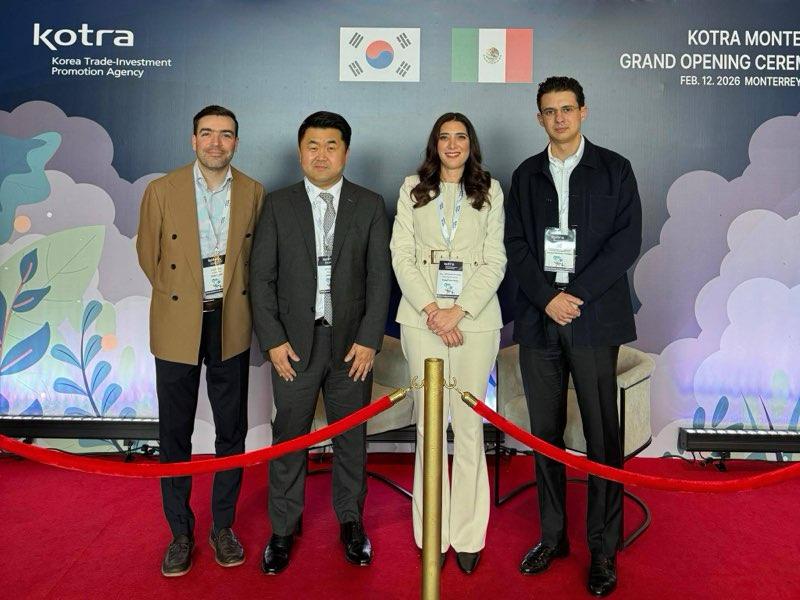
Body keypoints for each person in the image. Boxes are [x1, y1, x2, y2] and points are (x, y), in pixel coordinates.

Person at [504, 76, 642, 596]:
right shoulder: (526, 174)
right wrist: (547, 298)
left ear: (583, 111)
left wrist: (575, 294)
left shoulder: (615, 169)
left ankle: (603, 549)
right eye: (549, 111)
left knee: (602, 434)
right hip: (540, 318)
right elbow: (515, 244)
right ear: (539, 118)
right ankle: (553, 536)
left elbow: (626, 242)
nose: (559, 118)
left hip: (594, 316)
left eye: (567, 109)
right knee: (545, 433)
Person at [249, 111, 391, 574]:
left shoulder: (369, 204)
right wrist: (273, 342)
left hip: (351, 348)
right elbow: (261, 279)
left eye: (332, 145)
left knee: (351, 437)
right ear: (300, 152)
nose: (322, 154)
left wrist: (369, 340)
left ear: (346, 152)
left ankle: (351, 522)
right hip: (293, 346)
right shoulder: (278, 204)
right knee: (289, 437)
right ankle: (283, 528)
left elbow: (379, 279)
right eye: (313, 145)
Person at [136, 105, 265, 576]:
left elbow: (256, 260)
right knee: (175, 432)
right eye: (207, 133)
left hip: (230, 319)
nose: (215, 142)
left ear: (236, 142)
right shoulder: (162, 189)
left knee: (231, 429)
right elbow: (149, 255)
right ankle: (180, 532)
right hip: (178, 319)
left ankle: (222, 527)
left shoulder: (253, 191)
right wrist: (183, 295)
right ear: (193, 140)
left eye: (225, 134)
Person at [390, 113, 506, 574]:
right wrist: (432, 311)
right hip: (422, 321)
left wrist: (459, 311)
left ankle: (470, 533)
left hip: (475, 321)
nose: (452, 144)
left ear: (470, 143)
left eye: (460, 137)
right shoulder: (411, 188)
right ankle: (432, 533)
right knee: (429, 427)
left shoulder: (490, 190)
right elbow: (400, 254)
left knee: (471, 427)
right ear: (434, 144)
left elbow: (496, 259)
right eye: (444, 137)